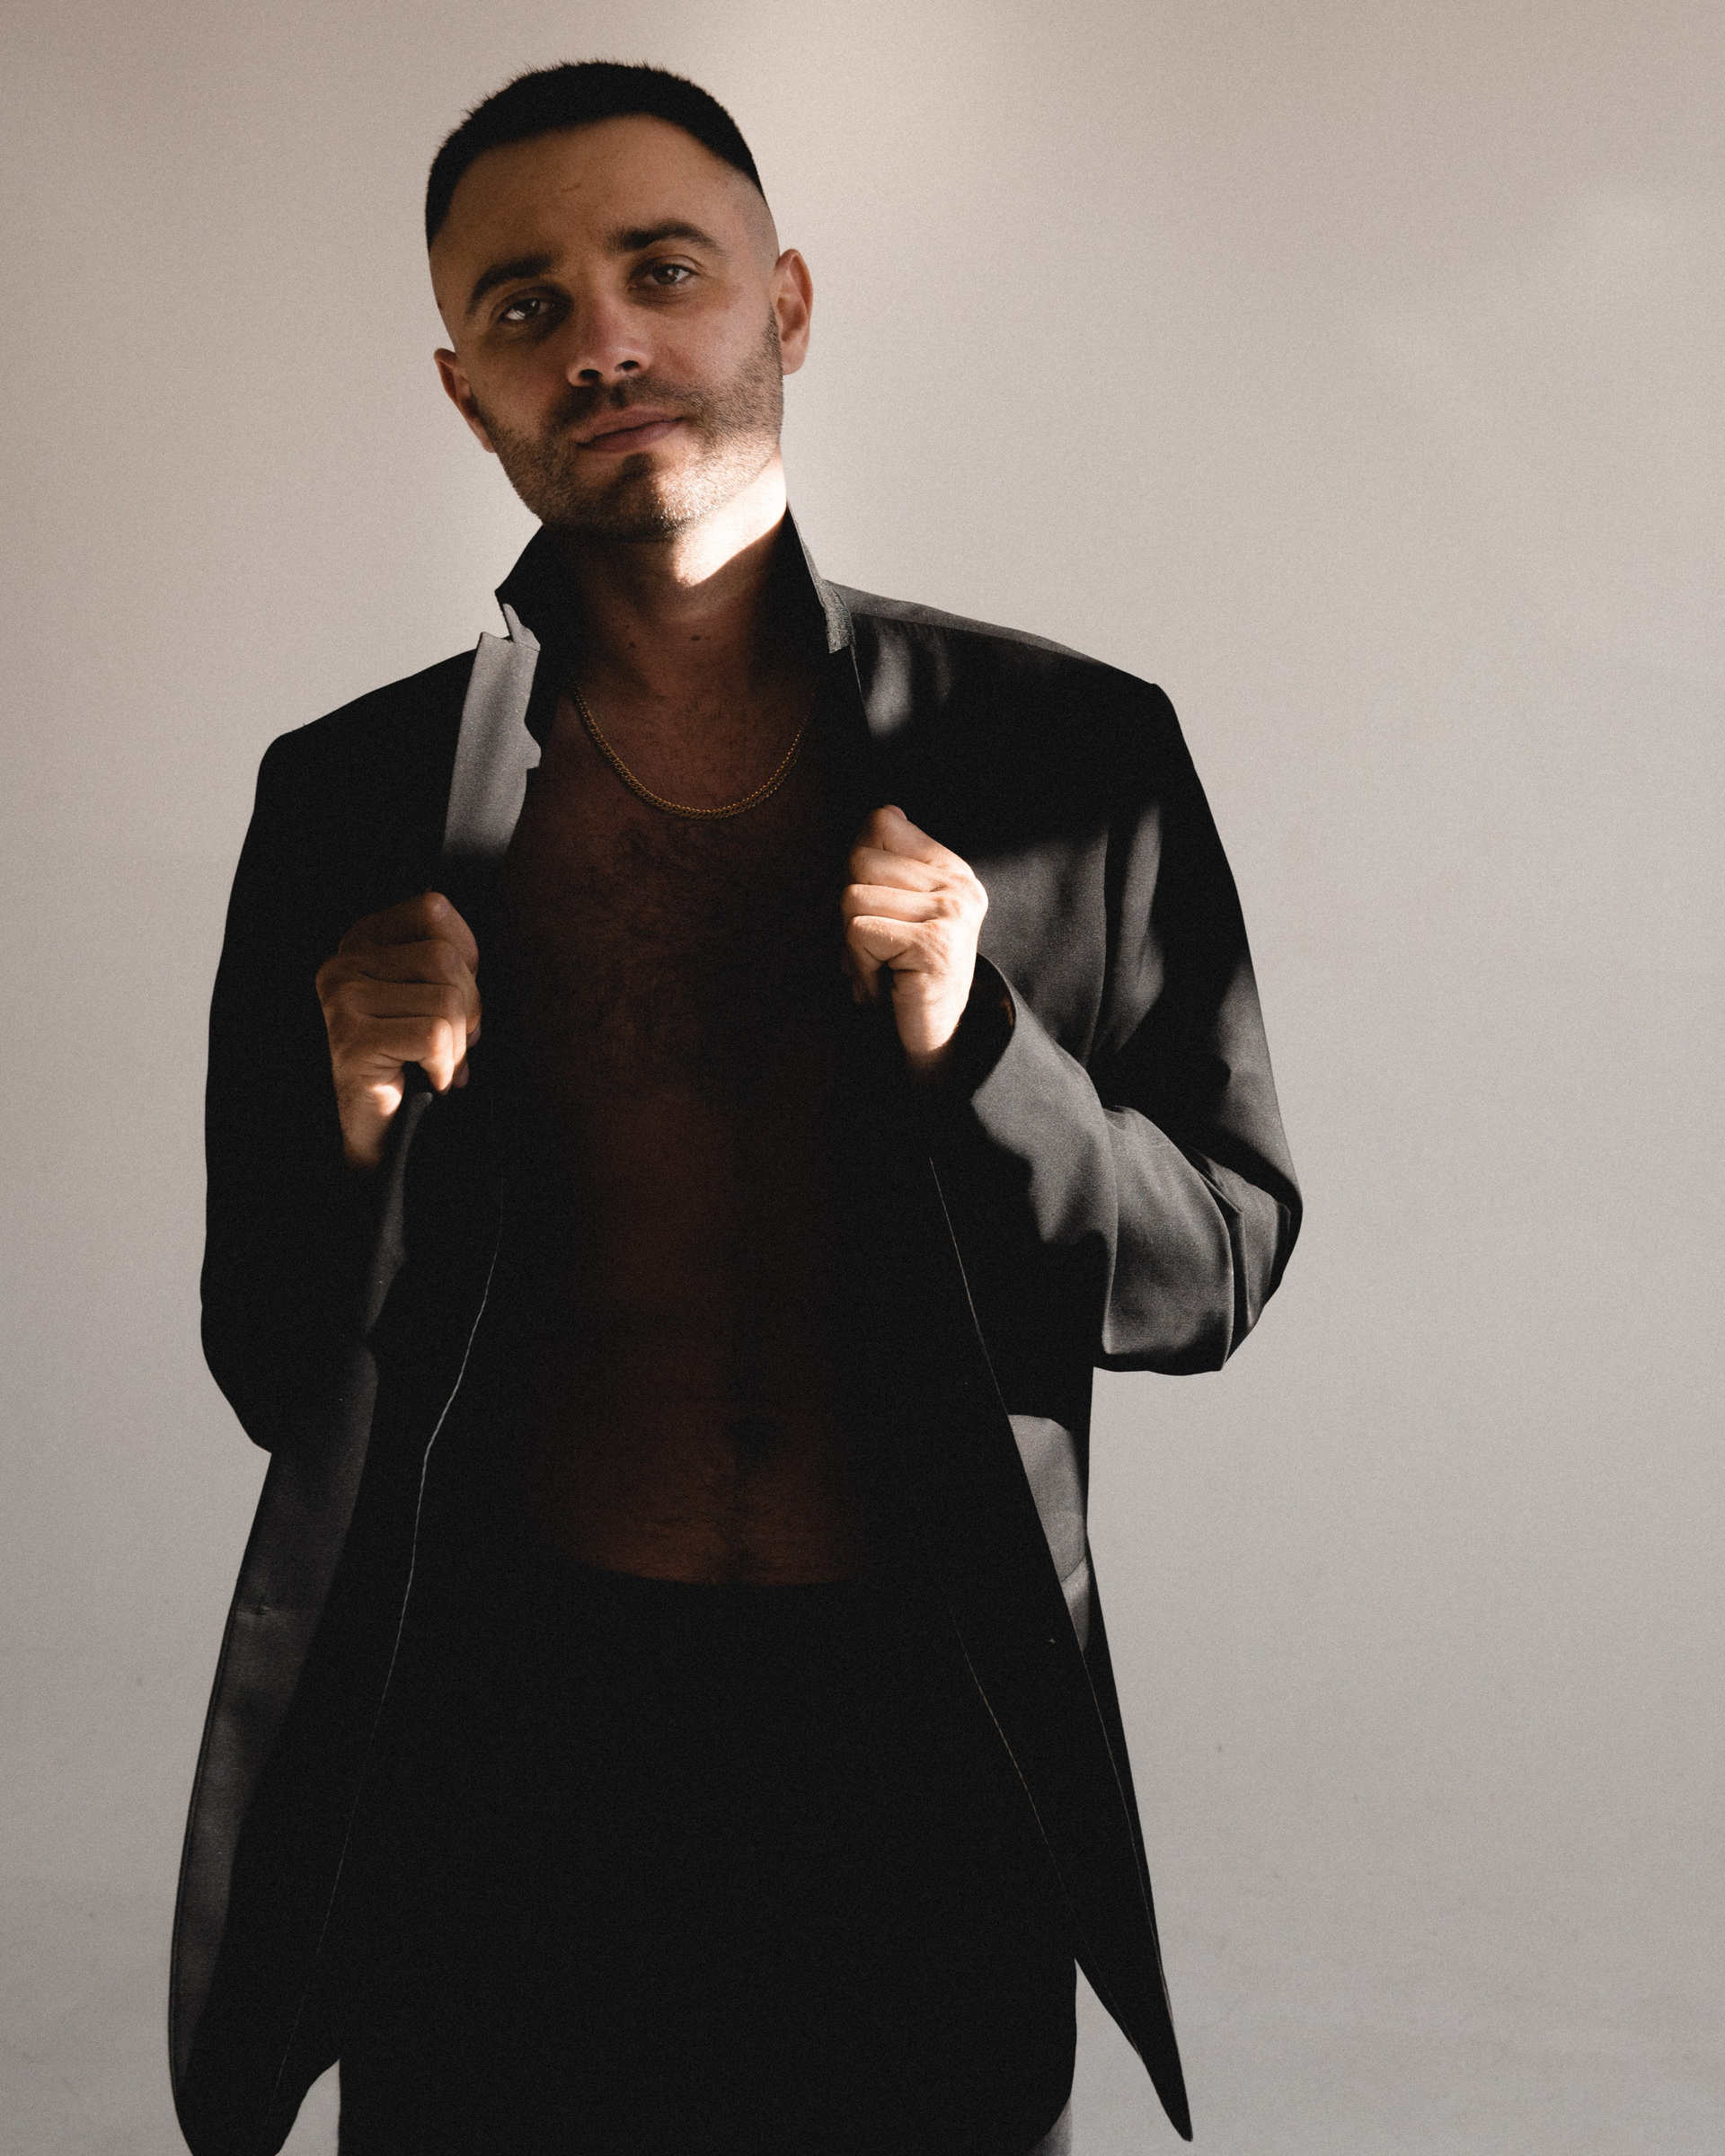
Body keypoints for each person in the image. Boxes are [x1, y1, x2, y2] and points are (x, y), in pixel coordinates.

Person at [170, 60, 1300, 2156]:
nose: (601, 337)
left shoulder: (1071, 757)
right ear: (467, 393)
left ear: (784, 301)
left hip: (924, 1742)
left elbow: (1214, 1273)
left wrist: (984, 1049)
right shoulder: (349, 800)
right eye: (527, 307)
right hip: (501, 1753)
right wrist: (351, 1124)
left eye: (661, 269)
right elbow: (266, 1359)